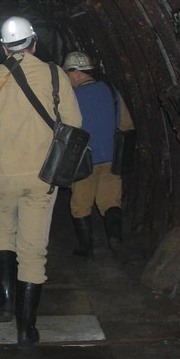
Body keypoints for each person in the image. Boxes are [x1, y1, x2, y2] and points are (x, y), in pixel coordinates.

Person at [0, 17, 82, 348]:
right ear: (34, 43)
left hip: (0, 173)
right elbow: (74, 123)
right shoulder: (56, 75)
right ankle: (27, 328)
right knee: (33, 249)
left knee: (0, 234)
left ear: (3, 47)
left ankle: (3, 305)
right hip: (43, 175)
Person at [62, 51, 135, 260]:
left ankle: (87, 248)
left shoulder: (71, 98)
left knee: (80, 204)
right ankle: (115, 240)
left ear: (75, 73)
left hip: (84, 161)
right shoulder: (111, 91)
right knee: (111, 200)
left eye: (68, 73)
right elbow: (126, 124)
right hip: (112, 158)